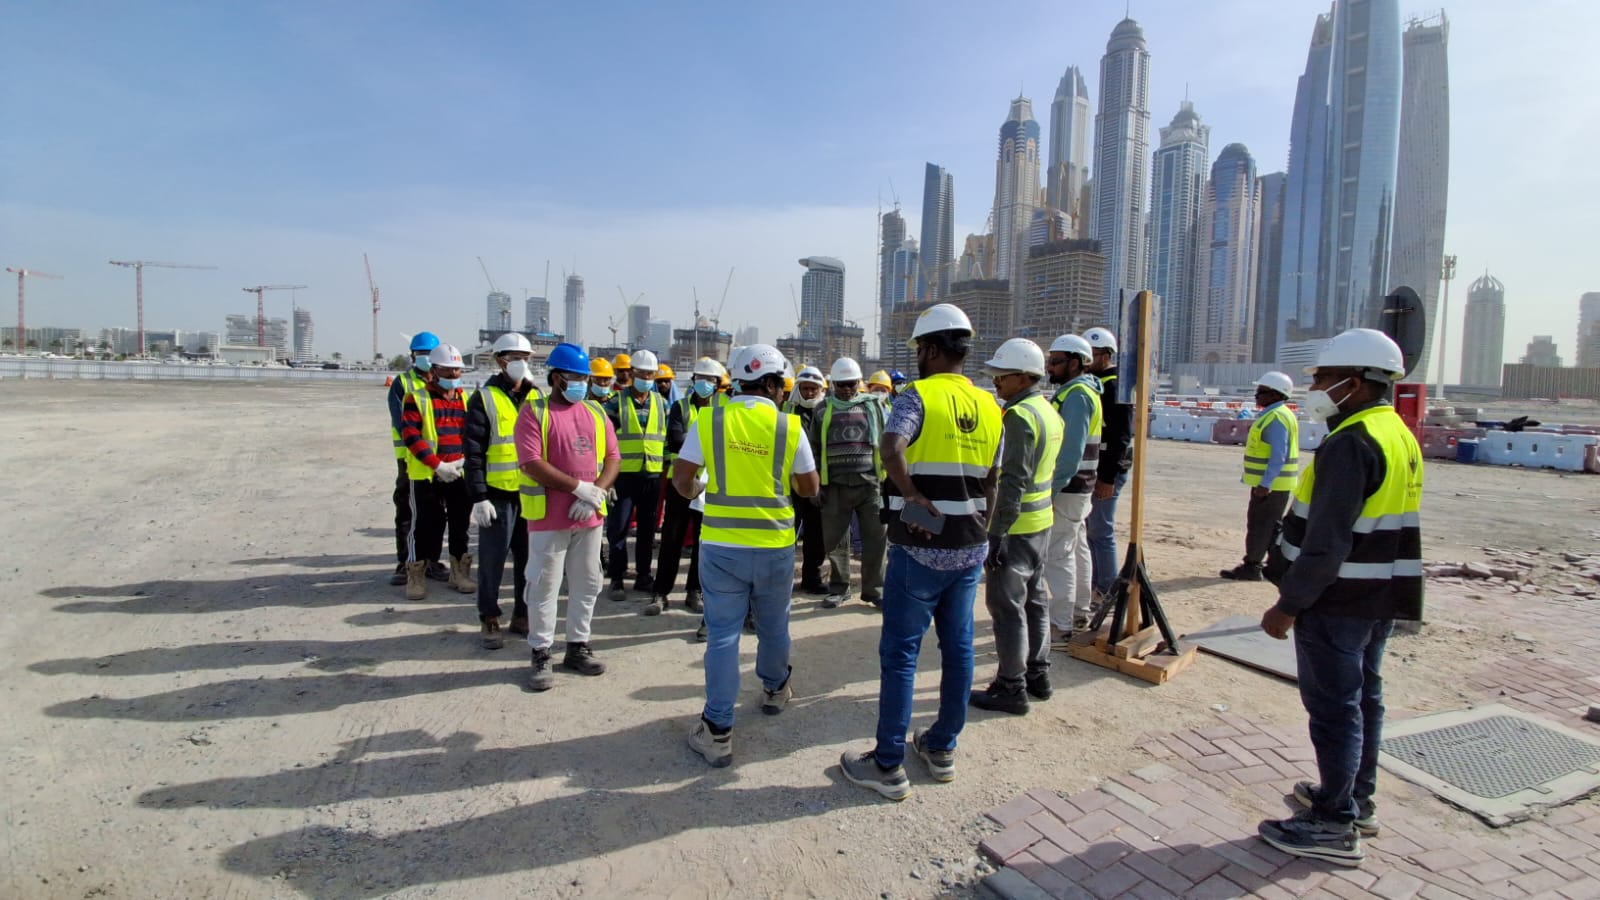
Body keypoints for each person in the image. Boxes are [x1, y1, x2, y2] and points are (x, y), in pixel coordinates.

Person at [1255, 329, 1422, 868]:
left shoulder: (1351, 442)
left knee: (1334, 709)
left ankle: (1332, 822)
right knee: (1363, 699)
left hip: (1337, 599)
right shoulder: (1394, 431)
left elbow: (1327, 541)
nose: (1318, 388)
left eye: (1325, 379)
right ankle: (1354, 797)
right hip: (1377, 596)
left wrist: (1289, 604)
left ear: (1356, 382)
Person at [839, 303, 1001, 801]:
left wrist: (910, 494)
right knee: (958, 649)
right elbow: (994, 477)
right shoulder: (991, 405)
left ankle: (888, 762)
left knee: (902, 653)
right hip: (969, 546)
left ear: (931, 349)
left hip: (921, 547)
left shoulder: (916, 397)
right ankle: (941, 746)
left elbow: (890, 447)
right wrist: (980, 528)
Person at [674, 344, 818, 767]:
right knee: (774, 627)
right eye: (781, 386)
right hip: (773, 546)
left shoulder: (710, 419)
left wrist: (699, 491)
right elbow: (809, 488)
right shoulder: (788, 427)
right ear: (771, 384)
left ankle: (717, 729)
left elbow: (683, 479)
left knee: (722, 635)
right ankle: (774, 690)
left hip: (721, 546)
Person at [516, 343, 621, 691]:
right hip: (549, 518)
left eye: (585, 378)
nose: (583, 383)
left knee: (588, 583)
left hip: (589, 517)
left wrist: (597, 494)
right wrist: (580, 488)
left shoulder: (594, 413)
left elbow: (613, 459)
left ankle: (577, 646)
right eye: (576, 377)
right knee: (544, 585)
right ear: (558, 378)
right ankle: (541, 651)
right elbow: (532, 463)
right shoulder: (535, 413)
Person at [970, 338, 1063, 715]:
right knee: (1036, 599)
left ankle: (1011, 686)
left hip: (1018, 525)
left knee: (1006, 605)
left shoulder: (1020, 416)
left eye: (1002, 376)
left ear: (1024, 377)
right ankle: (1037, 673)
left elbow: (1013, 482)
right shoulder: (1048, 411)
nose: (996, 383)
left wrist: (996, 535)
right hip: (1041, 522)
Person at [463, 333, 538, 649]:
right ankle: (489, 618)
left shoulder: (537, 397)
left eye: (526, 357)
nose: (521, 362)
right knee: (492, 561)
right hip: (497, 496)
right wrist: (478, 497)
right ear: (499, 360)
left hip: (530, 495)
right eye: (514, 356)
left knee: (529, 561)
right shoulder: (484, 398)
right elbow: (474, 452)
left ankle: (523, 614)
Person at [647, 357, 724, 617]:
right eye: (701, 378)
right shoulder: (680, 407)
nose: (705, 384)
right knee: (672, 538)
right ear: (693, 381)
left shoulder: (724, 407)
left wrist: (696, 444)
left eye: (711, 380)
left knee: (704, 541)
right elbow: (677, 440)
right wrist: (710, 444)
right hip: (682, 482)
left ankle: (695, 591)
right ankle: (661, 592)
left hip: (711, 484)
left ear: (718, 384)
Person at [399, 343, 473, 600]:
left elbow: (471, 434)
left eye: (457, 370)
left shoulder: (464, 398)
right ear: (434, 370)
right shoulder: (416, 398)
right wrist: (437, 465)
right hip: (427, 474)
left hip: (458, 473)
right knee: (422, 526)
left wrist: (461, 462)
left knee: (460, 525)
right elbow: (410, 435)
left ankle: (459, 572)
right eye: (448, 370)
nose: (454, 375)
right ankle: (415, 574)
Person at [1040, 334, 1103, 642]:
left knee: (1058, 552)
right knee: (1077, 546)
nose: (1049, 367)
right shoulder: (1080, 391)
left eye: (1055, 361)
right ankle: (1079, 609)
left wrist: (1051, 490)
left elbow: (1070, 453)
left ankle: (1061, 623)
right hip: (1079, 487)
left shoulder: (1077, 395)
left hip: (1069, 487)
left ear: (1075, 363)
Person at [814, 357, 886, 610]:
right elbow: (813, 448)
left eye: (851, 384)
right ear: (833, 384)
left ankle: (874, 592)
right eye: (841, 384)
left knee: (876, 541)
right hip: (833, 485)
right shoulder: (822, 410)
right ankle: (839, 589)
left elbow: (887, 441)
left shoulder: (873, 407)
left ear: (860, 383)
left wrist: (888, 482)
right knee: (836, 542)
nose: (846, 389)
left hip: (870, 484)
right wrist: (816, 486)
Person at [1222, 371, 1300, 582]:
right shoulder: (1276, 414)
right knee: (1266, 526)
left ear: (1275, 395)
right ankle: (1263, 564)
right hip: (1274, 484)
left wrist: (1265, 484)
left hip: (1271, 486)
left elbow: (1278, 455)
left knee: (1261, 526)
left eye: (1261, 392)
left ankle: (1253, 566)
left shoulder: (1276, 418)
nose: (1256, 396)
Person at [604, 348, 668, 601]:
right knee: (618, 528)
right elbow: (605, 442)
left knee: (647, 530)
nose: (646, 378)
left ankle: (644, 575)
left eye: (650, 374)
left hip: (652, 474)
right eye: (642, 373)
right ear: (632, 373)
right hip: (624, 475)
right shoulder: (615, 402)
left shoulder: (662, 404)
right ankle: (617, 577)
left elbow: (664, 440)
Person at [387, 331, 446, 585]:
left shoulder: (443, 382)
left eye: (428, 354)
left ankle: (432, 560)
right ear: (412, 355)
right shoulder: (403, 383)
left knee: (437, 512)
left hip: (440, 460)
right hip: (410, 460)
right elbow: (402, 424)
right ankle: (406, 563)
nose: (424, 358)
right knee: (408, 512)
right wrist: (421, 452)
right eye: (420, 353)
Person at [1083, 326, 1132, 606]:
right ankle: (1095, 585)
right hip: (1094, 467)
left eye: (1092, 355)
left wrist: (1108, 477)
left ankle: (1106, 590)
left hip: (1107, 469)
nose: (1087, 362)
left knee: (1101, 530)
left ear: (1106, 355)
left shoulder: (1114, 385)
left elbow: (1120, 437)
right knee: (1091, 530)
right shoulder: (1094, 383)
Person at [786, 366, 829, 596]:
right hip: (790, 481)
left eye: (814, 388)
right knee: (788, 532)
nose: (810, 393)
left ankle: (811, 577)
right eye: (806, 388)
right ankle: (783, 577)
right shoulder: (786, 410)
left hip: (818, 481)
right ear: (798, 388)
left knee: (816, 533)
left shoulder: (827, 411)